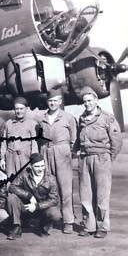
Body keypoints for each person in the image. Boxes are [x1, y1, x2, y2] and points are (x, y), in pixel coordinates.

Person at [77, 86, 122, 238]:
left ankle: (102, 227)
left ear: (96, 101)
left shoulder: (107, 117)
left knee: (102, 194)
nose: (87, 104)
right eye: (85, 102)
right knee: (85, 194)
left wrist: (109, 158)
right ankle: (88, 225)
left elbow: (117, 140)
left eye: (90, 100)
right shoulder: (82, 118)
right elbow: (79, 138)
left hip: (102, 158)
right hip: (85, 158)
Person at [38, 89, 77, 234]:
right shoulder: (42, 118)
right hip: (46, 153)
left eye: (55, 100)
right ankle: (50, 219)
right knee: (47, 188)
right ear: (47, 102)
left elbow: (74, 139)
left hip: (62, 154)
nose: (52, 103)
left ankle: (68, 221)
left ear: (60, 102)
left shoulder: (68, 118)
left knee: (65, 189)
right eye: (50, 101)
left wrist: (67, 152)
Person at [7, 153, 61, 240]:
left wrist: (37, 206)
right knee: (12, 198)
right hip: (26, 207)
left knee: (55, 213)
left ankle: (44, 227)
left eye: (42, 166)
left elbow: (54, 200)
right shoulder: (24, 174)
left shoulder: (51, 178)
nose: (41, 169)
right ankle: (17, 227)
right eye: (37, 166)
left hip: (42, 209)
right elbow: (12, 187)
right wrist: (29, 196)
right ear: (31, 166)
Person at [1, 96, 38, 176]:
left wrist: (34, 160)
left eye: (21, 109)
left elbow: (34, 144)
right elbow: (4, 142)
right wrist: (2, 159)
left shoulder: (32, 124)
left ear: (26, 109)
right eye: (17, 109)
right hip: (11, 158)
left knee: (26, 181)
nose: (19, 111)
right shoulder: (8, 123)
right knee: (10, 182)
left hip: (25, 158)